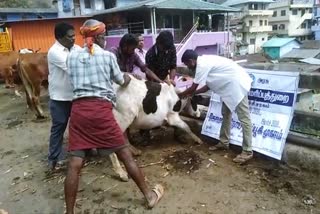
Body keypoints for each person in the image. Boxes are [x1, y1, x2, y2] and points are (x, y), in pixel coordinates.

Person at [64, 19, 164, 214]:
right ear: (100, 37)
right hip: (101, 111)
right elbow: (121, 81)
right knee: (125, 155)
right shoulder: (108, 57)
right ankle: (149, 196)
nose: (105, 39)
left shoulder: (72, 57)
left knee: (75, 164)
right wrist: (128, 78)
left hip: (78, 111)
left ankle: (69, 212)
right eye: (104, 36)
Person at [178, 49, 253, 164]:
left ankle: (247, 151)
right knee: (226, 114)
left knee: (244, 118)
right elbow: (207, 87)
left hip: (236, 85)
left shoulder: (201, 65)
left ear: (191, 61)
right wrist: (193, 93)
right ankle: (224, 142)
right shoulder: (203, 62)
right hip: (228, 87)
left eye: (187, 64)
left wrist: (180, 94)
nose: (187, 67)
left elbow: (193, 87)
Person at [47, 22, 80, 171]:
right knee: (59, 128)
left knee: (79, 126)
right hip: (60, 98)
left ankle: (80, 153)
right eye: (70, 36)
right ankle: (53, 159)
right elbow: (73, 68)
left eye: (74, 35)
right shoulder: (54, 52)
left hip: (76, 96)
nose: (73, 39)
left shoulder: (76, 48)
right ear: (60, 37)